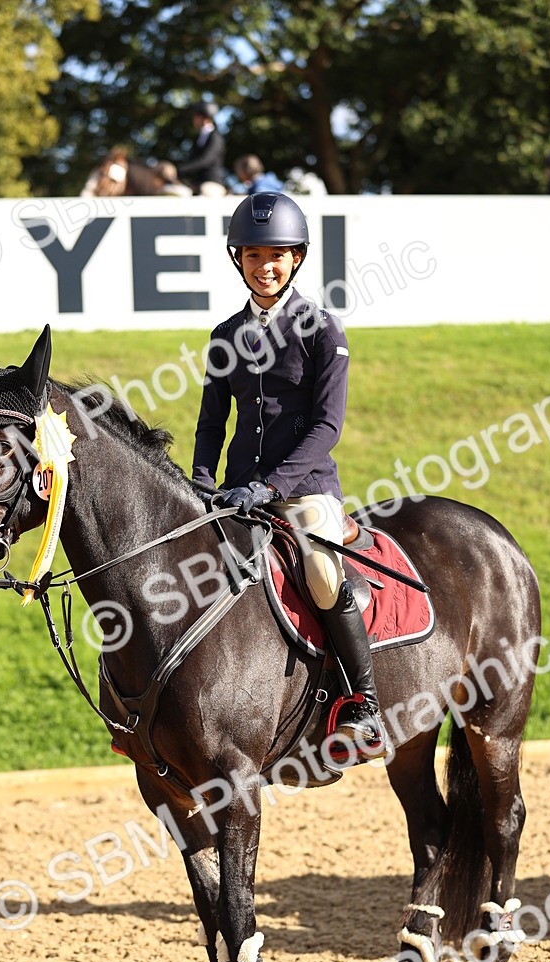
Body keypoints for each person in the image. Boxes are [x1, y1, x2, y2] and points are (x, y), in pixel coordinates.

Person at [192, 193, 388, 759]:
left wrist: (273, 486)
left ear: (296, 258)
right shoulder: (225, 335)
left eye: (276, 255)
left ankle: (365, 704)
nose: (265, 267)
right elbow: (211, 423)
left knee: (323, 576)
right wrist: (201, 480)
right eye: (253, 255)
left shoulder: (322, 331)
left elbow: (327, 426)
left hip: (304, 491)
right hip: (236, 492)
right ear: (238, 259)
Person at [178, 101, 226, 197]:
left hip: (211, 182)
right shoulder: (199, 137)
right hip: (197, 182)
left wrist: (182, 169)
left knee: (206, 191)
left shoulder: (215, 137)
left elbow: (205, 160)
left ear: (202, 117)